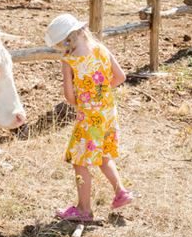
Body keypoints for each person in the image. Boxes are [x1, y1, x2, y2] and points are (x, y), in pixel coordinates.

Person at [44, 13, 134, 221]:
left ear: (66, 41)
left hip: (89, 118)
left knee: (79, 160)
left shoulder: (70, 61)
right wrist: (100, 92)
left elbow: (69, 97)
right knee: (103, 156)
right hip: (108, 113)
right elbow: (120, 77)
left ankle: (83, 209)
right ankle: (121, 192)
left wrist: (84, 100)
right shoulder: (101, 50)